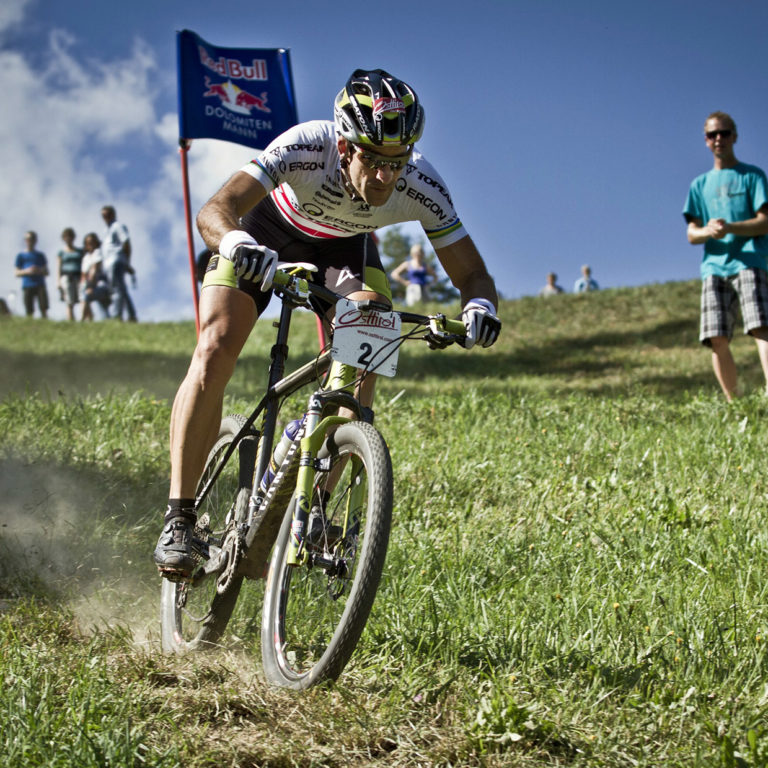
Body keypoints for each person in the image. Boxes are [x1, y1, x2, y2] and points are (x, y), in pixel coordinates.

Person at [154, 68, 502, 578]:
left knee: (374, 330)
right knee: (216, 346)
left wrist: (480, 308)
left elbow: (471, 273)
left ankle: (312, 504)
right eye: (373, 160)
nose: (386, 177)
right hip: (262, 234)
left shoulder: (421, 182)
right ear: (343, 146)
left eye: (396, 162)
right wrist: (235, 244)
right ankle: (180, 517)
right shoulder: (305, 146)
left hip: (341, 252)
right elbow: (216, 210)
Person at [683, 111, 768, 401]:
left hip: (750, 261)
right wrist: (709, 231)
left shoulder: (752, 176)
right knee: (716, 337)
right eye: (712, 134)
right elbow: (692, 233)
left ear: (735, 136)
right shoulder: (699, 186)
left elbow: (765, 221)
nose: (718, 139)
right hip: (714, 268)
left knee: (761, 327)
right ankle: (736, 404)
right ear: (706, 141)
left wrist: (730, 227)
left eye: (724, 133)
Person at [100, 205, 137, 322]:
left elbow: (126, 243)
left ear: (113, 214)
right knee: (121, 289)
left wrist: (127, 263)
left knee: (117, 290)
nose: (105, 217)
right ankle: (132, 315)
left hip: (116, 261)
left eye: (107, 215)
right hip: (108, 263)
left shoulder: (118, 226)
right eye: (103, 216)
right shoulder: (106, 231)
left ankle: (117, 315)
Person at [14, 231, 49, 318]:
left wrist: (39, 270)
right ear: (25, 241)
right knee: (29, 310)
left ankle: (45, 325)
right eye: (27, 239)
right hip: (27, 285)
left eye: (31, 239)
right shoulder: (21, 256)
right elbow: (16, 273)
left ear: (35, 240)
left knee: (43, 307)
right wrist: (28, 271)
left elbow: (47, 272)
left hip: (40, 284)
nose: (29, 241)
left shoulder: (40, 255)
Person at [80, 232, 111, 321]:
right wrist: (82, 285)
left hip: (100, 283)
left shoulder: (98, 253)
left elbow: (95, 269)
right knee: (102, 308)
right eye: (87, 243)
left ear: (96, 243)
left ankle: (82, 321)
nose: (90, 245)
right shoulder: (85, 258)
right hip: (88, 284)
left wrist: (91, 286)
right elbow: (83, 274)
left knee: (87, 297)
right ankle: (105, 323)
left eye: (92, 242)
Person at [57, 227, 83, 321]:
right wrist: (58, 282)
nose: (68, 239)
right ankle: (71, 320)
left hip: (78, 277)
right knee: (69, 300)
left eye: (70, 236)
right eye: (66, 237)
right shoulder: (61, 252)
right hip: (66, 277)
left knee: (81, 298)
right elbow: (59, 267)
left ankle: (83, 319)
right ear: (63, 238)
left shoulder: (79, 251)